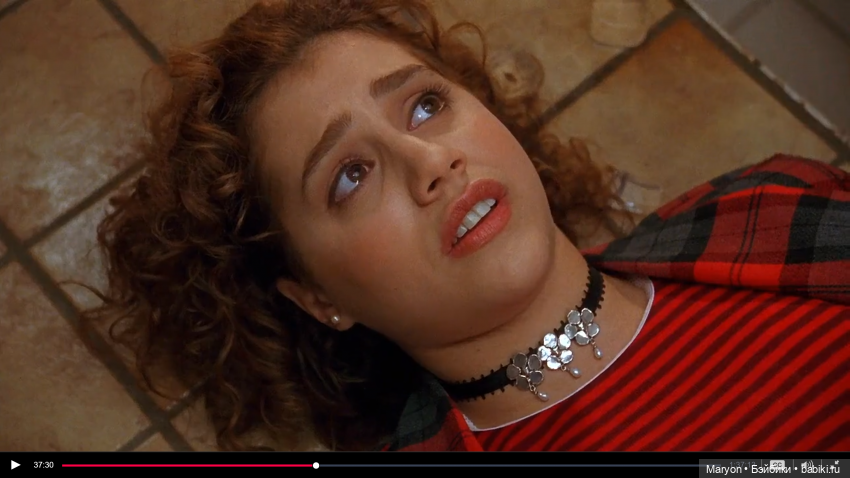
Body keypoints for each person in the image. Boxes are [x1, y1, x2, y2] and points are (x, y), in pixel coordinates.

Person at [82, 0, 849, 452]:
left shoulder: (773, 203)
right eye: (350, 175)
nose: (429, 161)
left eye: (425, 104)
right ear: (318, 297)